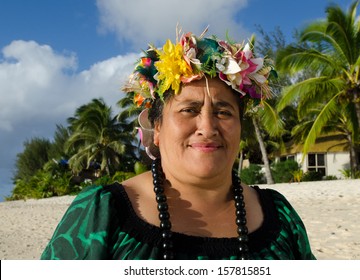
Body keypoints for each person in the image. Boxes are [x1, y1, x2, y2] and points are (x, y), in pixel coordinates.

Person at [41, 28, 315, 260]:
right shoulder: (104, 213)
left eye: (223, 112)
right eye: (189, 110)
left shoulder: (280, 218)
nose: (207, 128)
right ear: (157, 128)